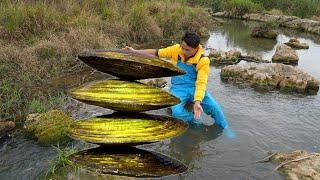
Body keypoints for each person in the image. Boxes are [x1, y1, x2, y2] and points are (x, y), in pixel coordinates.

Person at [124, 32, 234, 136]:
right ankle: (196, 123)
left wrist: (197, 102)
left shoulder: (203, 60)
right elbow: (157, 53)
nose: (183, 51)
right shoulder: (176, 50)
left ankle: (225, 128)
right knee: (176, 112)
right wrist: (134, 52)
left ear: (196, 49)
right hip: (178, 88)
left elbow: (201, 83)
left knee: (215, 108)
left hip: (195, 88)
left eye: (187, 50)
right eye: (182, 47)